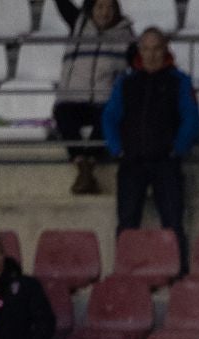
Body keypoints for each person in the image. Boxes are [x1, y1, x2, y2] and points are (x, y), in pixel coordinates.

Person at [103, 27, 199, 273]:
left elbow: (191, 119)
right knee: (126, 223)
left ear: (165, 49)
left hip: (165, 163)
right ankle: (125, 273)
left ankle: (179, 275)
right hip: (132, 163)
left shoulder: (180, 81)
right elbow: (110, 118)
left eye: (156, 48)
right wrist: (117, 149)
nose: (151, 54)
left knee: (173, 223)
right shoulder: (126, 82)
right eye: (146, 48)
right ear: (139, 51)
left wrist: (177, 148)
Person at [52, 0, 137, 195]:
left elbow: (140, 66)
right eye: (100, 7)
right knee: (63, 114)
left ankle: (86, 168)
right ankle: (84, 166)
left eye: (110, 7)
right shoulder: (79, 24)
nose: (105, 12)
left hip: (103, 100)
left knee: (109, 118)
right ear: (91, 9)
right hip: (73, 98)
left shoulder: (126, 36)